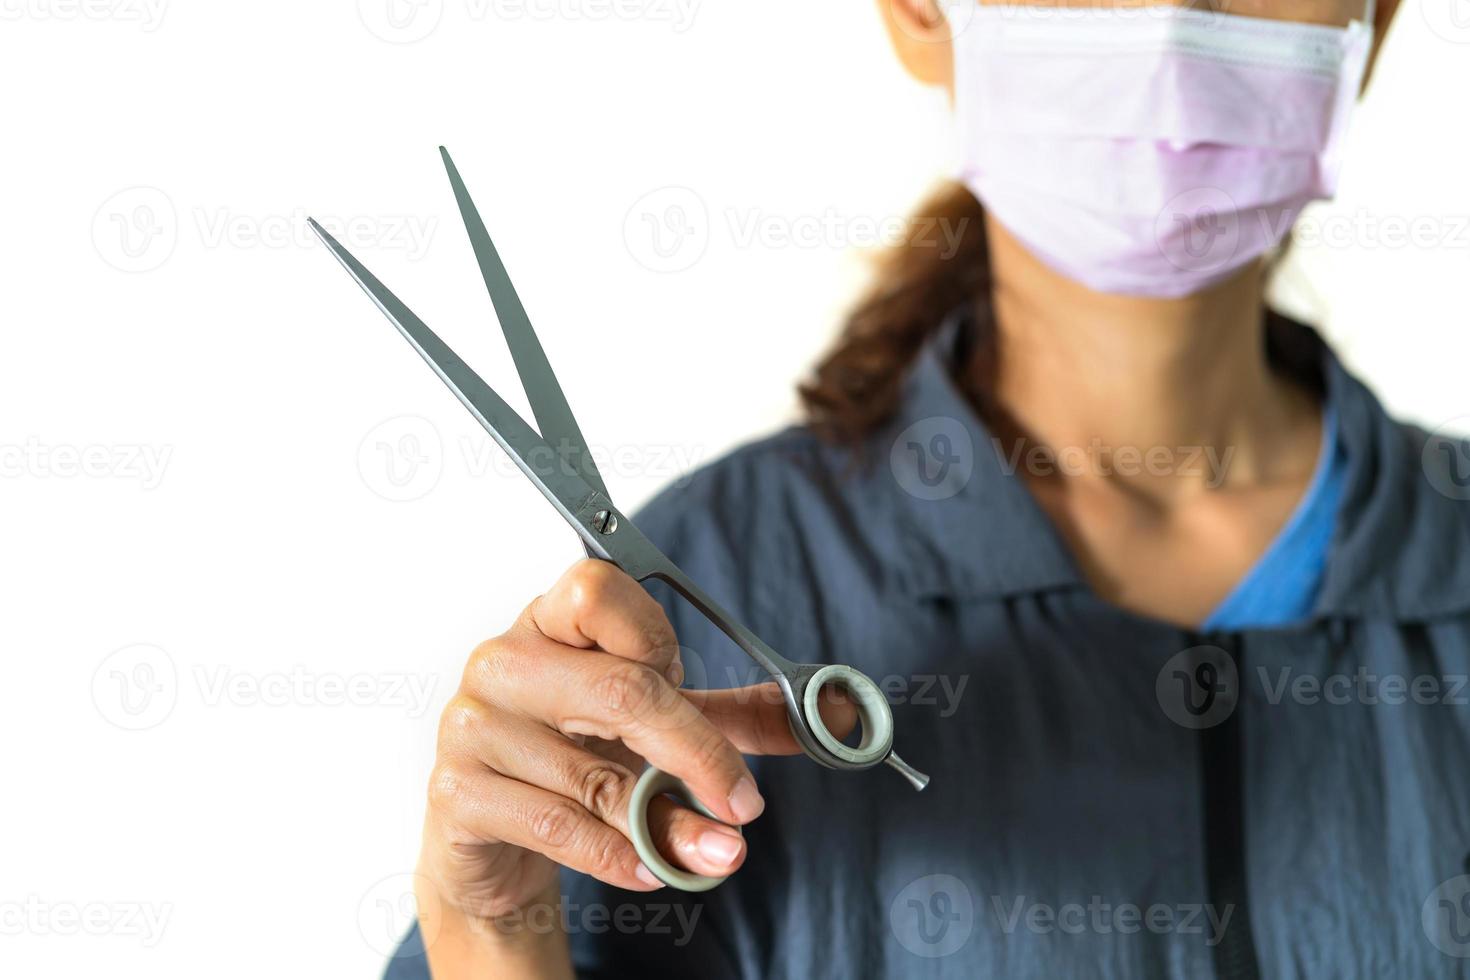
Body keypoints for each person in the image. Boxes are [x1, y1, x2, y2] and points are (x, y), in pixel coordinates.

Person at [389, 1, 1470, 976]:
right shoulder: (693, 611)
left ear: (1371, 17)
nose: (1172, 16)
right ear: (918, 9)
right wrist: (491, 937)